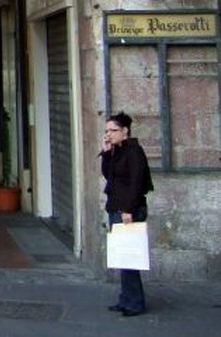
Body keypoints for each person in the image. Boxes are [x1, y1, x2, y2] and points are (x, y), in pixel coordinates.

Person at [99, 111, 154, 317]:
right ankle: (126, 299)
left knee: (130, 257)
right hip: (116, 207)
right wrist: (106, 153)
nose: (109, 135)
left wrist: (128, 210)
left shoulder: (134, 152)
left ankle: (135, 303)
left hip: (128, 209)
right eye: (106, 131)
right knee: (123, 256)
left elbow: (136, 183)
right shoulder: (118, 150)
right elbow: (109, 176)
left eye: (113, 131)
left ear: (125, 131)